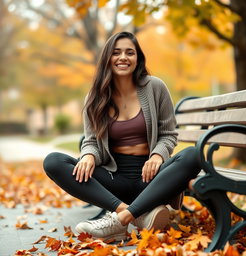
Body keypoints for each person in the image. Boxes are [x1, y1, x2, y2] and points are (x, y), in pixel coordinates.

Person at [43, 31, 200, 242]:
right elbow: (91, 140)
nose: (123, 57)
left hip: (151, 178)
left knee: (193, 155)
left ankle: (120, 220)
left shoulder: (155, 87)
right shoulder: (95, 96)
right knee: (53, 161)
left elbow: (169, 135)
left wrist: (157, 156)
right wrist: (89, 155)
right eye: (116, 52)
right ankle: (134, 214)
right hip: (113, 179)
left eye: (130, 52)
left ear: (138, 58)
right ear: (107, 58)